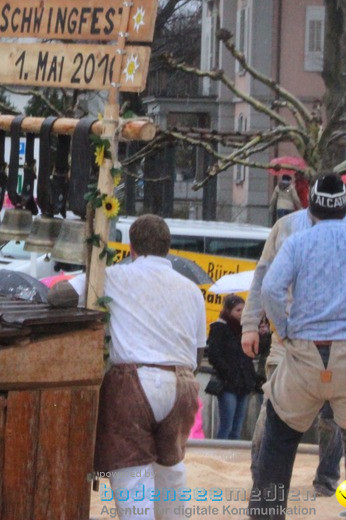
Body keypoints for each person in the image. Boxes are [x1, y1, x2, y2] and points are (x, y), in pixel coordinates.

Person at [248, 173, 346, 520]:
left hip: (306, 351)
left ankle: (266, 515)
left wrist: (284, 330)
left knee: (278, 438)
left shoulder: (298, 240)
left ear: (311, 206)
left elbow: (270, 289)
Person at [48, 215, 205, 519]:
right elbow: (198, 355)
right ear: (168, 247)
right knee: (170, 472)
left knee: (134, 480)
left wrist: (93, 273)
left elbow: (58, 296)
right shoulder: (192, 290)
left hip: (134, 382)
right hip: (183, 384)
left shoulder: (116, 277)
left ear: (131, 248)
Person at [241, 200, 346, 496]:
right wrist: (250, 324)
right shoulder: (285, 227)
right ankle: (262, 477)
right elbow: (263, 277)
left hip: (337, 338)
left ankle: (325, 479)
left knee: (332, 414)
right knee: (272, 407)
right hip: (289, 339)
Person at [207, 294, 259, 440]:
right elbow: (214, 355)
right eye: (238, 310)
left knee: (237, 429)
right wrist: (229, 374)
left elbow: (252, 354)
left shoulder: (245, 330)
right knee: (227, 426)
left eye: (244, 310)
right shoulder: (219, 328)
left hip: (243, 384)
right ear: (228, 311)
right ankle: (218, 458)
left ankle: (232, 461)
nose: (242, 313)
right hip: (227, 385)